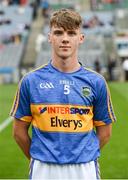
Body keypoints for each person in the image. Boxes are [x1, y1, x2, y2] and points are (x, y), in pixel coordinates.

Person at [10, 8, 116, 179]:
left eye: (71, 33)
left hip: (84, 168)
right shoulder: (30, 81)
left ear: (81, 38)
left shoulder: (96, 82)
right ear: (50, 37)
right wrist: (40, 157)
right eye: (58, 33)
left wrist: (84, 154)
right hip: (43, 168)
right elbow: (18, 132)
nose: (65, 39)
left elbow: (105, 133)